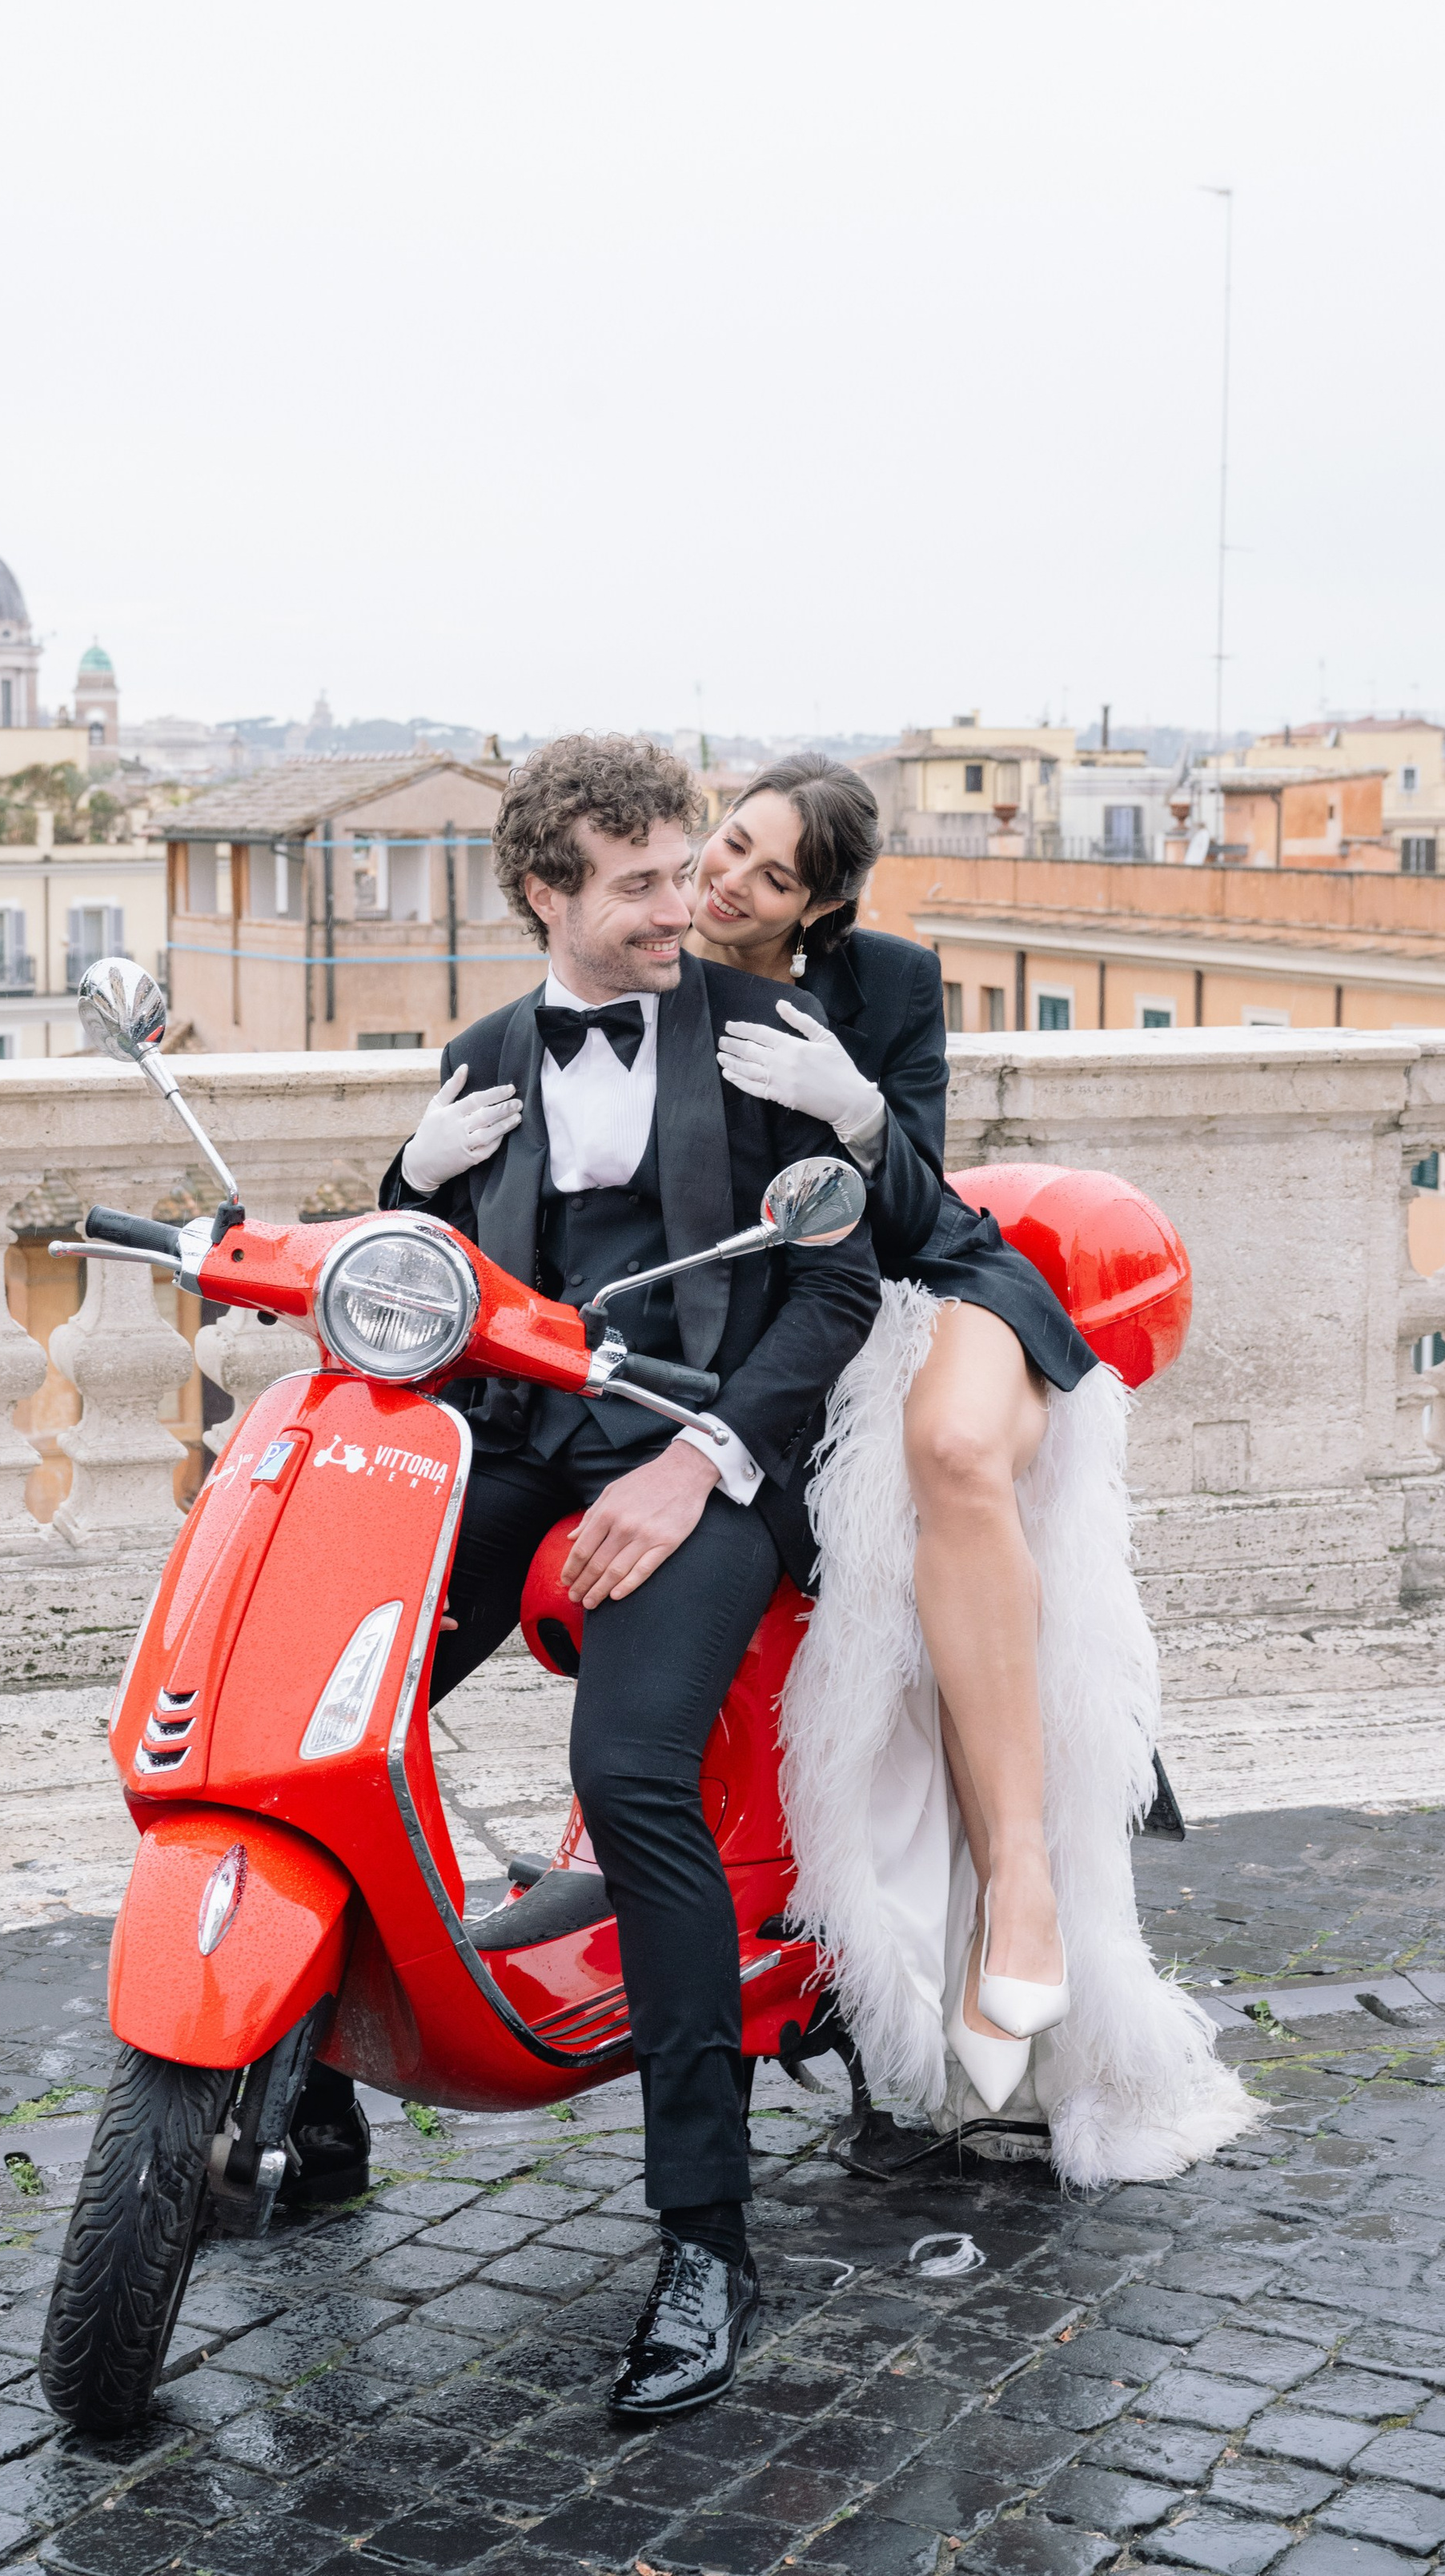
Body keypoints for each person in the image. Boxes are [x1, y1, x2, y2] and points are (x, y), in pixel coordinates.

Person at [293, 733, 925, 2417]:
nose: (686, 905)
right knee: (325, 1705)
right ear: (545, 894)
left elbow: (836, 1295)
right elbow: (426, 1273)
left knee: (627, 1772)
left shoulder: (771, 1035)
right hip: (515, 1445)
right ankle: (308, 2084)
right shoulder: (487, 1049)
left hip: (707, 1452)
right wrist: (407, 1183)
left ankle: (705, 2239)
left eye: (685, 872)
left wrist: (695, 1463)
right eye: (643, 884)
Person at [689, 752, 1258, 2182]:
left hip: (931, 1295)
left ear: (819, 905)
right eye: (727, 843)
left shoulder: (889, 983)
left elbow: (920, 1204)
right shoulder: (655, 974)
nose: (728, 879)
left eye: (770, 873)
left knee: (948, 1446)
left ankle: (1023, 1895)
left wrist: (857, 1107)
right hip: (779, 1347)